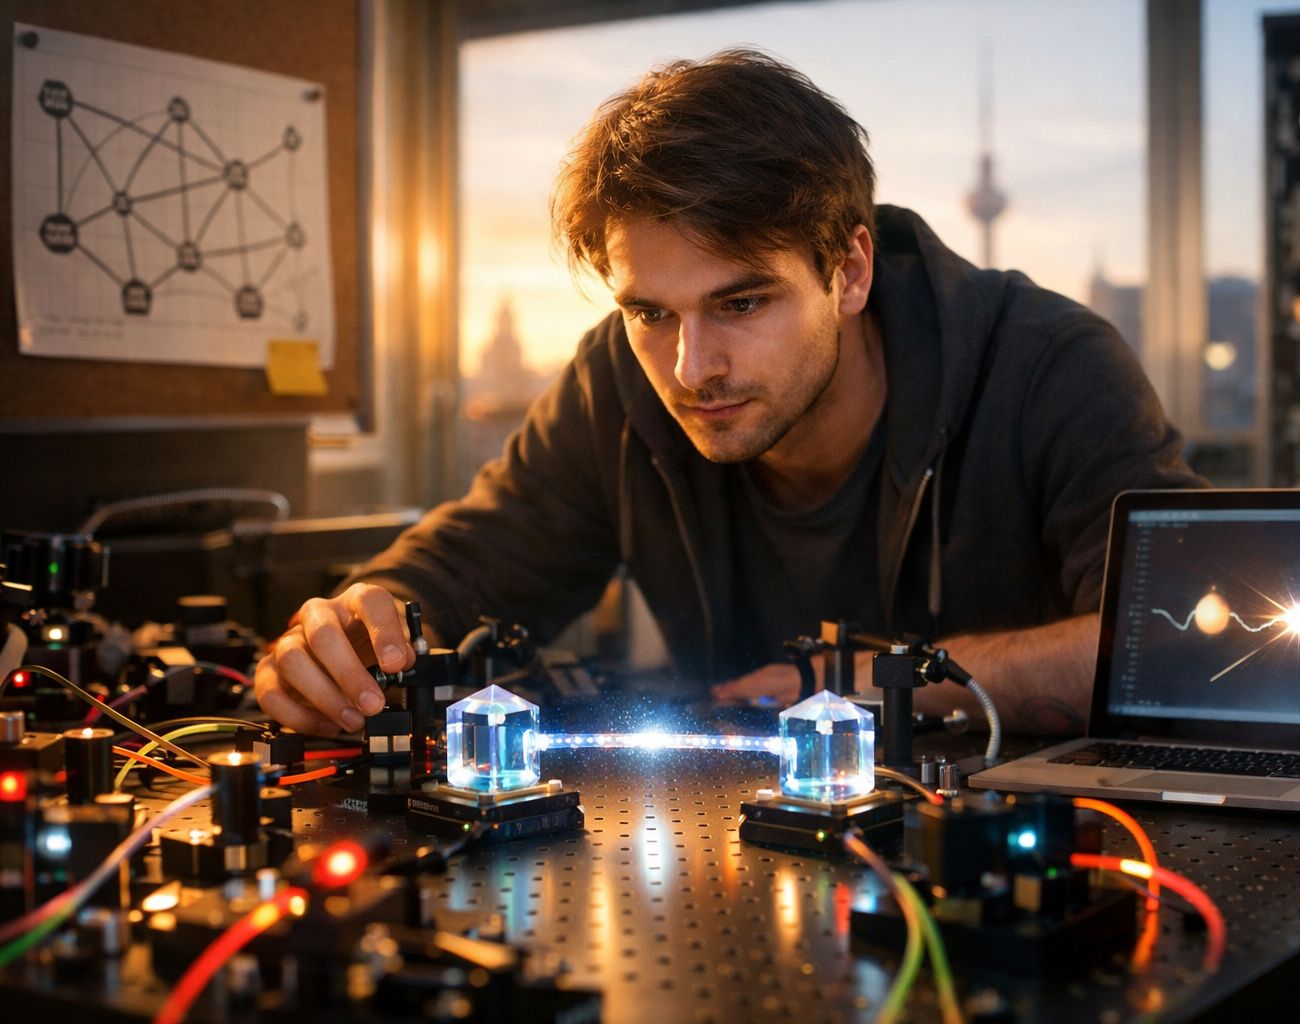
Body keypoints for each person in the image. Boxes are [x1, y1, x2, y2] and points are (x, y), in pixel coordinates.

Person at [254, 49, 1201, 740]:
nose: (689, 368)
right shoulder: (616, 380)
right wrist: (357, 623)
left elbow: (1187, 639)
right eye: (651, 313)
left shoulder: (1049, 366)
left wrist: (864, 682)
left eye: (740, 302)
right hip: (742, 866)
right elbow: (473, 563)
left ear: (851, 269)